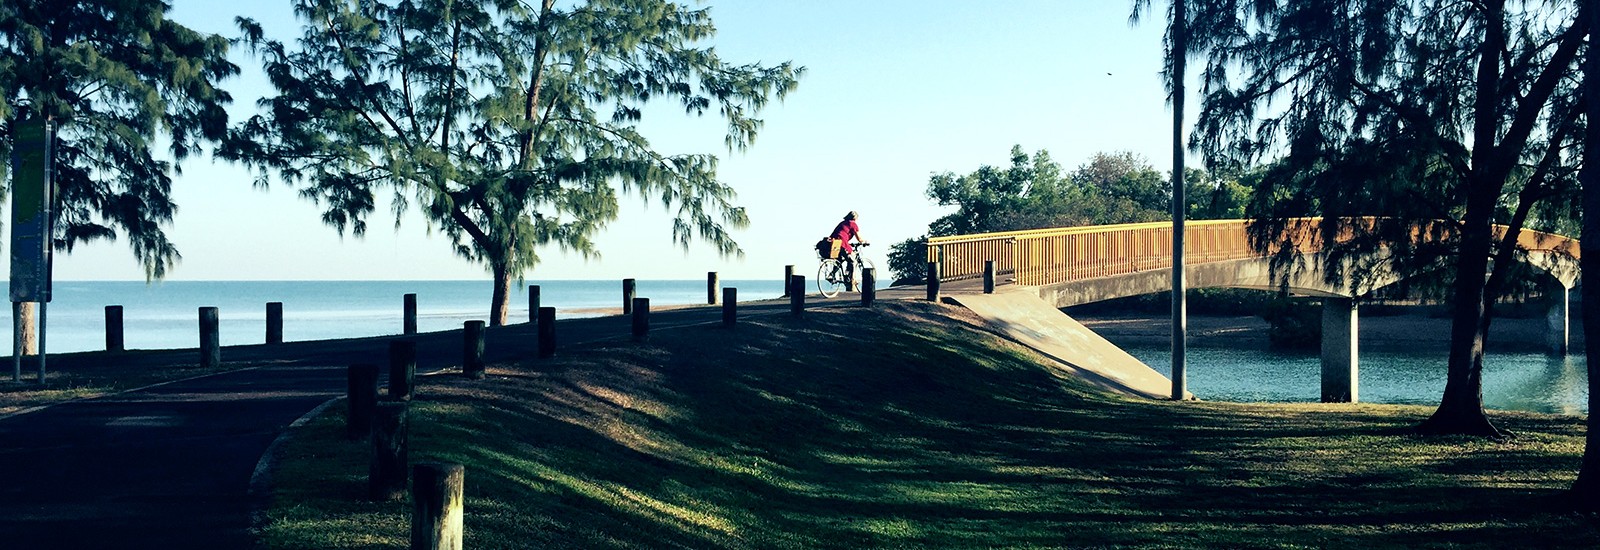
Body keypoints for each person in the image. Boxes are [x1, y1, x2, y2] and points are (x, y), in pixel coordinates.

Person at [831, 211, 868, 288]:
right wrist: (864, 242)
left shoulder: (842, 223)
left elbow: (841, 234)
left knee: (839, 260)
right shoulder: (853, 224)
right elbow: (859, 238)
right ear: (855, 218)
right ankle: (850, 278)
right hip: (842, 243)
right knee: (852, 260)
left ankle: (832, 274)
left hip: (834, 243)